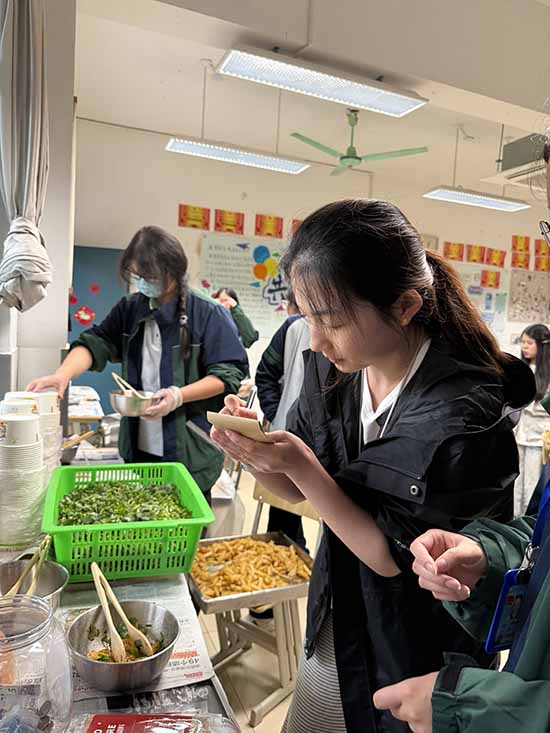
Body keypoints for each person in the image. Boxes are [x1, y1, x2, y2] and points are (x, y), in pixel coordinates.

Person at [209, 199, 535, 733]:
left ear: (404, 307)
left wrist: (299, 463)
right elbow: (295, 492)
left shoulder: (463, 414)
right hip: (338, 611)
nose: (316, 340)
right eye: (307, 317)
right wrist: (256, 452)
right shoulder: (336, 369)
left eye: (331, 320)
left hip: (416, 649)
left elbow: (389, 558)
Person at [29, 225, 248, 499]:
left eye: (150, 276)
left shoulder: (208, 314)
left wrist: (178, 396)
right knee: (141, 517)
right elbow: (96, 342)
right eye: (138, 276)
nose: (144, 283)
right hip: (139, 446)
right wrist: (62, 375)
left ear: (173, 272)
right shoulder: (131, 308)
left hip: (190, 449)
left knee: (185, 520)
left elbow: (227, 375)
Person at [255, 287, 310, 549]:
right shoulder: (293, 328)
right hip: (288, 436)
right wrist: (277, 413)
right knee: (282, 515)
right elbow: (265, 374)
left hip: (331, 448)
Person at [514, 323, 550, 514]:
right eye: (522, 342)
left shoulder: (547, 372)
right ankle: (515, 518)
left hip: (540, 439)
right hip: (520, 435)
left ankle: (529, 522)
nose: (524, 347)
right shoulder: (521, 369)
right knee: (517, 482)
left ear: (542, 345)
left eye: (529, 343)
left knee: (532, 483)